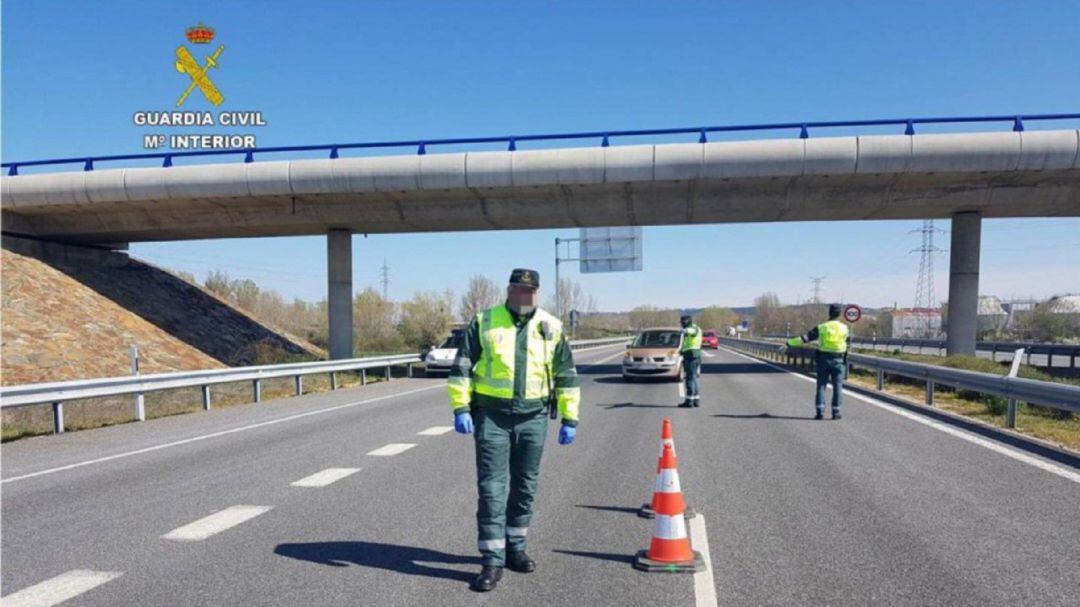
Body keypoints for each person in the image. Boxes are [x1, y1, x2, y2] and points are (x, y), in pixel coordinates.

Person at [447, 268, 581, 592]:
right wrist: (461, 408)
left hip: (533, 418)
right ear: (508, 291)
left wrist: (570, 418)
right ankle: (492, 561)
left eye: (530, 291)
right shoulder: (485, 321)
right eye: (519, 290)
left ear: (537, 293)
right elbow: (462, 367)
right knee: (492, 490)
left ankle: (515, 549)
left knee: (525, 487)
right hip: (492, 418)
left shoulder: (552, 326)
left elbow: (566, 375)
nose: (524, 296)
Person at [783, 303, 850, 420]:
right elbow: (846, 343)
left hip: (824, 359)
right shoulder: (845, 328)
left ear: (829, 313)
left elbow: (804, 338)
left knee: (821, 386)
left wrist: (789, 343)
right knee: (838, 386)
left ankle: (820, 411)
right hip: (839, 360)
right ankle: (836, 412)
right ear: (839, 314)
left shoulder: (822, 327)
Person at [678, 314, 703, 408]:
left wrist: (684, 331)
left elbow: (691, 332)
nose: (681, 324)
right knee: (693, 378)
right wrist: (682, 350)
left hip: (691, 356)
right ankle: (696, 400)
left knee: (689, 379)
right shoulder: (696, 327)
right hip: (693, 355)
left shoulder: (693, 328)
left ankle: (689, 402)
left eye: (682, 322)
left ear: (686, 322)